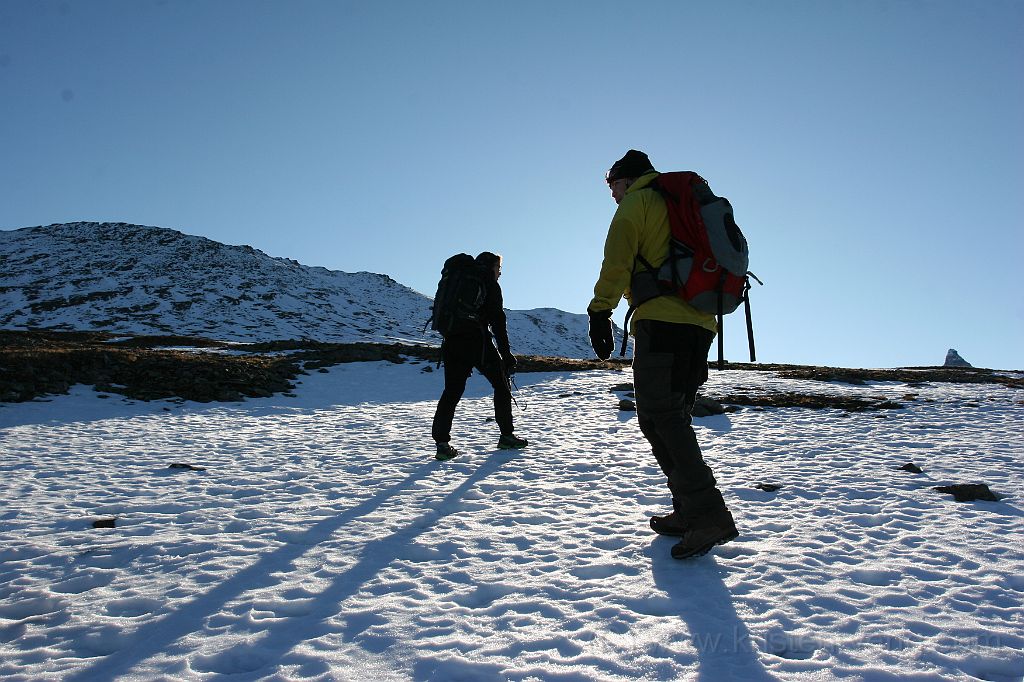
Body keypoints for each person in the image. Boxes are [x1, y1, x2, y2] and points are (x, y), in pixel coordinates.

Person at [587, 150, 738, 559]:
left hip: (662, 322)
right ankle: (689, 510)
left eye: (612, 185)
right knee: (669, 416)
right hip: (701, 324)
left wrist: (600, 311)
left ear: (626, 179)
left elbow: (616, 261)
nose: (612, 195)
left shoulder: (638, 201)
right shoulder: (678, 201)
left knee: (662, 418)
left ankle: (708, 514)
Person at [432, 251, 528, 460]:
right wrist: (506, 355)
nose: (499, 274)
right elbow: (498, 323)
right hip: (476, 341)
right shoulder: (488, 283)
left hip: (451, 340)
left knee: (452, 391)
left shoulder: (459, 279)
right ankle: (506, 436)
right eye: (498, 269)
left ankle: (441, 443)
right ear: (491, 267)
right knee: (501, 385)